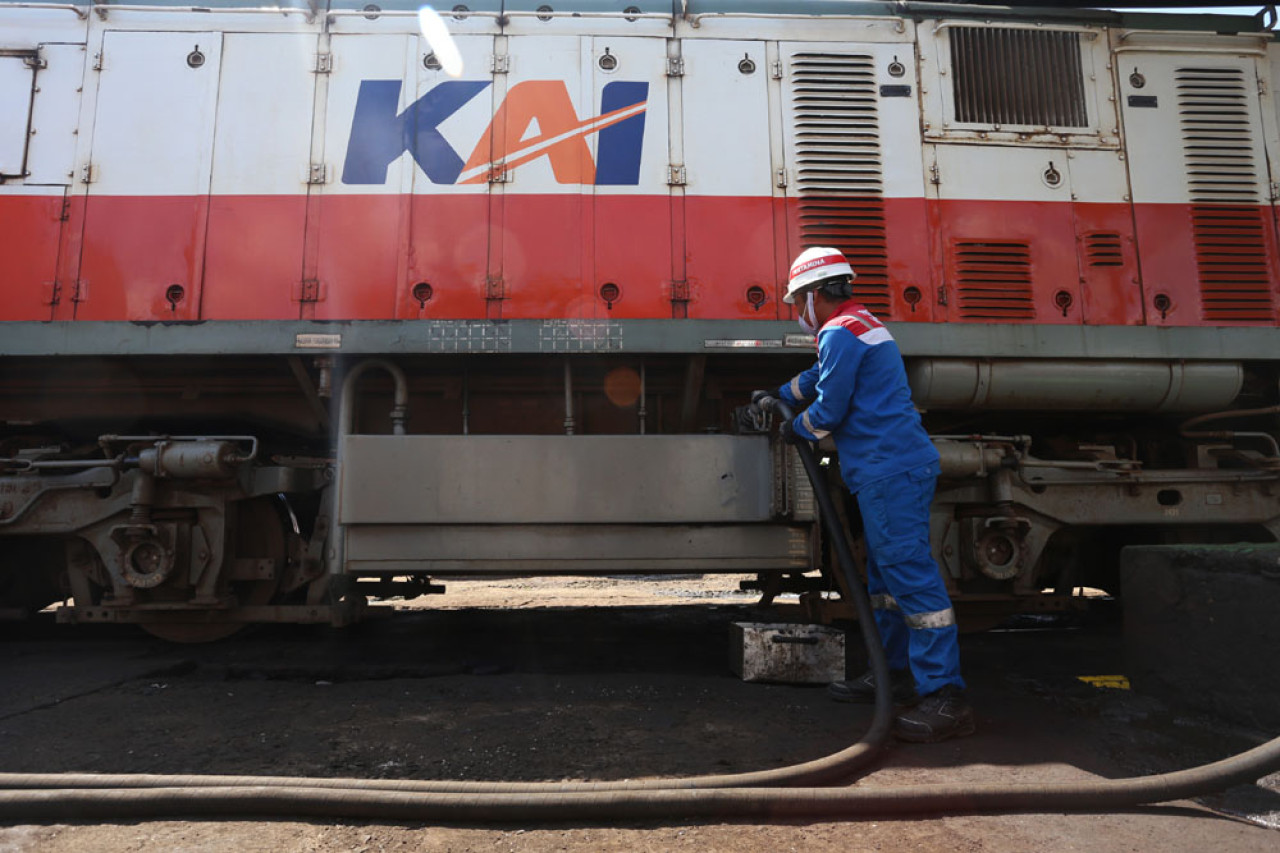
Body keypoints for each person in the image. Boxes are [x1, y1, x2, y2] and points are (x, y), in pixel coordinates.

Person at [754, 246, 973, 743]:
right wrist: (780, 394)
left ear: (815, 294)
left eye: (797, 301)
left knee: (910, 580)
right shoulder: (857, 324)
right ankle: (894, 673)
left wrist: (798, 429)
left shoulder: (839, 331)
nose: (797, 311)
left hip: (890, 469)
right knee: (886, 580)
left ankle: (946, 696)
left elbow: (829, 408)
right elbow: (821, 377)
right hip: (886, 469)